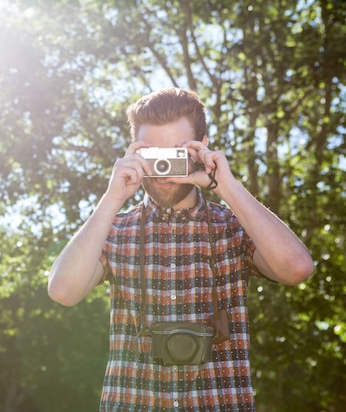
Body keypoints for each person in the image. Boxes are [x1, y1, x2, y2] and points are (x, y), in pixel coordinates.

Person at [47, 88, 314, 411]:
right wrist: (112, 198)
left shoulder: (233, 226)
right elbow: (63, 291)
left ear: (201, 145)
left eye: (176, 153)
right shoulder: (114, 229)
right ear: (135, 152)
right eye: (153, 154)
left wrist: (225, 184)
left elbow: (297, 269)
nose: (164, 167)